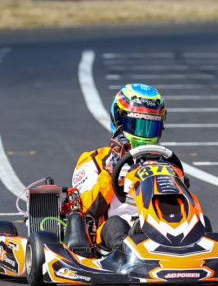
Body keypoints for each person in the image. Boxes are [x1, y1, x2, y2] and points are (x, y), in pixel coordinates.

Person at [71, 83, 166, 251]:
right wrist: (111, 169)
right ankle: (127, 256)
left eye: (150, 127)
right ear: (118, 120)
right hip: (112, 233)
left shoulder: (164, 162)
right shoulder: (94, 160)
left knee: (201, 222)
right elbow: (87, 209)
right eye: (136, 125)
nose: (144, 135)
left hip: (158, 227)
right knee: (116, 225)